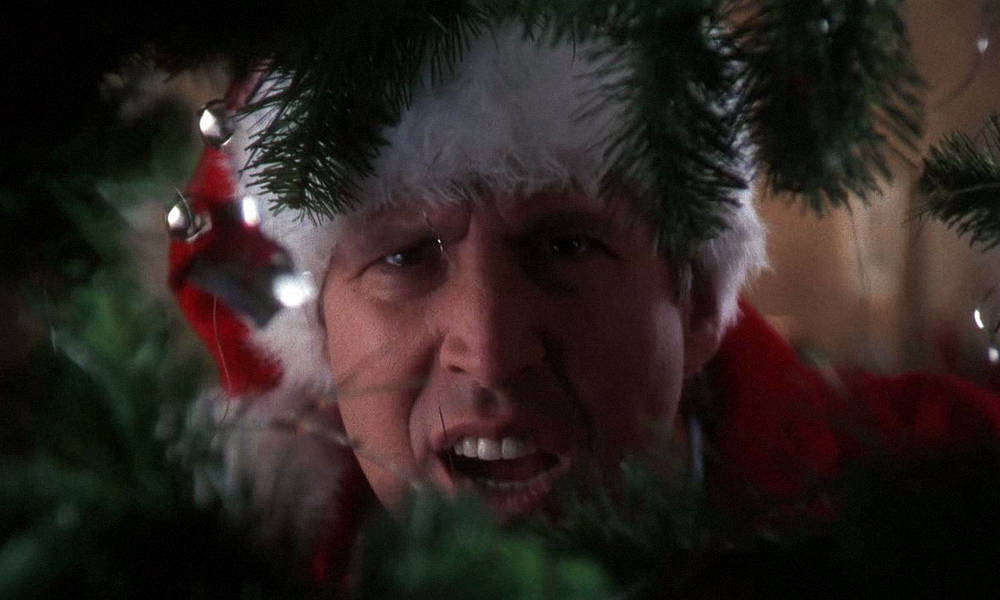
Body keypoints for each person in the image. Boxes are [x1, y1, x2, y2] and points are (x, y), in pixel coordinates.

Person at [168, 25, 1000, 585]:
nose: (491, 350)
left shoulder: (948, 505)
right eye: (404, 257)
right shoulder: (202, 566)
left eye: (565, 246)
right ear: (319, 332)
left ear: (698, 304)